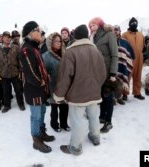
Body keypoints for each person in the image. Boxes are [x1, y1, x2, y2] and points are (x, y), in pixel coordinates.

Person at [54, 24, 106, 155]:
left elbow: (65, 76)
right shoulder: (96, 50)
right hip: (94, 92)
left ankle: (75, 147)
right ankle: (95, 137)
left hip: (77, 94)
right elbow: (102, 73)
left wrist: (59, 95)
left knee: (77, 120)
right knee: (94, 116)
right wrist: (97, 86)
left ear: (75, 36)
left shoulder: (71, 51)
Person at [19, 21, 55, 153]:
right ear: (30, 33)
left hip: (41, 89)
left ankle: (41, 133)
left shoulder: (34, 47)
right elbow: (30, 73)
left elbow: (40, 67)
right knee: (36, 116)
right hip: (34, 90)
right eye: (38, 30)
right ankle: (36, 140)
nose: (41, 32)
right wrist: (41, 82)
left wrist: (46, 76)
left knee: (42, 112)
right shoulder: (26, 49)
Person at [89, 17, 118, 133]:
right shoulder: (93, 37)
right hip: (97, 72)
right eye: (90, 26)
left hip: (107, 72)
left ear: (99, 24)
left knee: (108, 96)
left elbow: (115, 55)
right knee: (101, 95)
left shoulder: (109, 34)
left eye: (93, 25)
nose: (91, 27)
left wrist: (113, 73)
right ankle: (102, 116)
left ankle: (109, 121)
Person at [42, 32, 69, 132]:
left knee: (65, 106)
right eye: (56, 41)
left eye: (60, 41)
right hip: (53, 85)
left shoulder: (65, 53)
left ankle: (64, 124)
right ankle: (54, 124)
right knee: (54, 106)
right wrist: (47, 74)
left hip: (65, 84)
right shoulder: (46, 56)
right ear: (50, 42)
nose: (59, 43)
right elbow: (43, 70)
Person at [0, 31, 25, 113]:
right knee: (6, 91)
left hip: (15, 73)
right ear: (2, 38)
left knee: (18, 90)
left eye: (9, 37)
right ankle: (7, 105)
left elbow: (20, 60)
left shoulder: (16, 47)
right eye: (6, 37)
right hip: (3, 74)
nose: (8, 39)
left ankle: (21, 104)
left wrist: (20, 71)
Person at [122, 17, 145, 100]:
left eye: (135, 23)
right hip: (129, 58)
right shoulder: (125, 34)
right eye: (132, 23)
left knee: (138, 76)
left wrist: (144, 54)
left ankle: (137, 93)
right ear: (129, 25)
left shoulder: (140, 34)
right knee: (127, 75)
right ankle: (124, 93)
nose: (134, 24)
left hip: (139, 58)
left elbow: (143, 46)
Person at [113, 25, 135, 104]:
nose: (115, 31)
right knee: (112, 81)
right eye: (114, 30)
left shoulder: (124, 42)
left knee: (121, 80)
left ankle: (119, 97)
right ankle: (113, 98)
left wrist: (131, 58)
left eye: (117, 30)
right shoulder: (110, 41)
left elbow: (131, 52)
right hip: (113, 65)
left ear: (119, 31)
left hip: (122, 65)